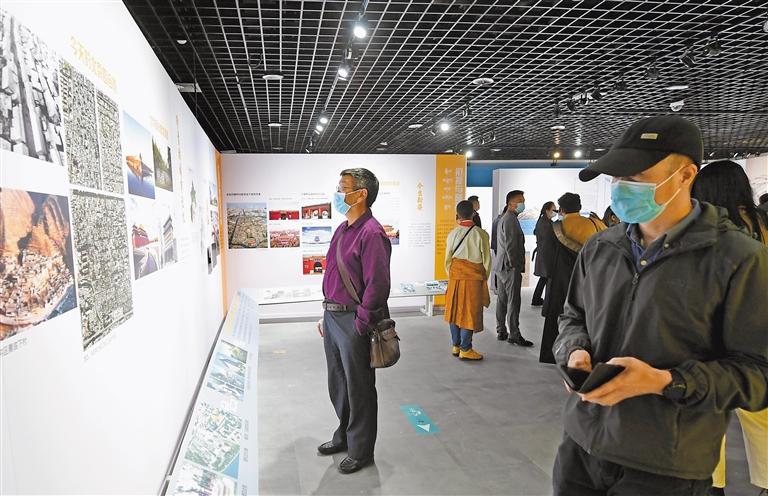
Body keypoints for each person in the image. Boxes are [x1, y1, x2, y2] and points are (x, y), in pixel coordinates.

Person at [551, 115, 768, 496]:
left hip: (667, 464)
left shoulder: (739, 259)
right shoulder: (601, 247)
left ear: (685, 175)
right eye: (617, 178)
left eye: (636, 177)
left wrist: (667, 382)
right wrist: (574, 351)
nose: (622, 187)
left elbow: (757, 373)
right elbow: (573, 317)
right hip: (581, 446)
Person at [691, 160, 768, 496]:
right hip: (759, 337)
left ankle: (713, 486)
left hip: (712, 336)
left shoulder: (706, 229)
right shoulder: (762, 223)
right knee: (761, 414)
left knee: (710, 416)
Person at [316, 168, 391, 474]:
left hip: (353, 321)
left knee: (359, 388)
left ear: (361, 194)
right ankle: (344, 436)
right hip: (333, 317)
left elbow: (378, 286)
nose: (337, 193)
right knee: (338, 383)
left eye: (342, 188)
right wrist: (326, 313)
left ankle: (361, 450)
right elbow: (334, 275)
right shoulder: (342, 229)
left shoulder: (372, 233)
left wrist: (360, 323)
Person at [539, 193, 605, 364]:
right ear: (580, 207)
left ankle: (551, 354)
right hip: (589, 277)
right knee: (586, 315)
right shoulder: (594, 223)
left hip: (561, 278)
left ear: (561, 209)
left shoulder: (556, 227)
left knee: (557, 314)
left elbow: (547, 255)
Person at [444, 200, 492, 361]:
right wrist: (484, 276)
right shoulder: (481, 234)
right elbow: (487, 260)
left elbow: (447, 260)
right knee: (469, 312)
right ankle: (466, 348)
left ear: (457, 215)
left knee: (454, 310)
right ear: (473, 213)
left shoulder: (452, 234)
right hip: (473, 279)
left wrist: (453, 274)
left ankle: (456, 345)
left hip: (455, 277)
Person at [493, 190, 533, 346]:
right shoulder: (510, 219)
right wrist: (515, 265)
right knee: (513, 301)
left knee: (502, 300)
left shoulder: (505, 218)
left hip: (501, 265)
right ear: (510, 203)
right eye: (520, 200)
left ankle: (501, 330)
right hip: (509, 266)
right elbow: (510, 244)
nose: (523, 203)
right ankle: (514, 334)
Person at [531, 201, 557, 306]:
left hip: (544, 254)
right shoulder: (546, 223)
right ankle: (544, 301)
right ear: (547, 210)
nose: (555, 211)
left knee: (544, 278)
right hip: (547, 255)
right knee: (546, 278)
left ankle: (537, 299)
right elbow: (550, 240)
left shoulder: (544, 221)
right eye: (553, 210)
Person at [489, 205, 507, 294]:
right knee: (500, 267)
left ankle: (497, 286)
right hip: (500, 247)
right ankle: (498, 287)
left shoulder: (496, 219)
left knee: (498, 265)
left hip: (496, 246)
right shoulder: (502, 220)